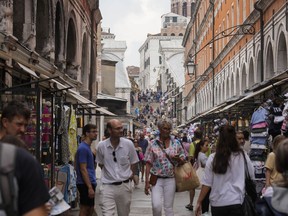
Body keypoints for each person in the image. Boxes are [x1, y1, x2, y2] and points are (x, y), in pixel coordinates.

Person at [0, 101, 50, 216]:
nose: (23, 130)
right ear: (5, 122)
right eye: (19, 124)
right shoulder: (23, 159)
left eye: (25, 125)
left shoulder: (22, 156)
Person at [195, 125, 254, 216]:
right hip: (237, 202)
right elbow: (251, 174)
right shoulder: (242, 156)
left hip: (218, 204)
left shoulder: (213, 158)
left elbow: (207, 183)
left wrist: (199, 202)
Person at [96, 119, 139, 216]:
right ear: (110, 131)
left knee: (124, 213)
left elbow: (134, 162)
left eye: (121, 128)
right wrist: (109, 173)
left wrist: (131, 175)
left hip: (124, 186)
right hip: (107, 186)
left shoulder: (128, 144)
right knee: (107, 214)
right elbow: (100, 163)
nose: (121, 130)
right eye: (118, 128)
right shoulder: (101, 146)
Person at [144, 119, 185, 216]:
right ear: (159, 129)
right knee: (156, 206)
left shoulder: (176, 143)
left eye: (168, 129)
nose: (166, 131)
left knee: (168, 208)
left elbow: (183, 158)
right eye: (164, 128)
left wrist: (179, 159)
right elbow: (148, 163)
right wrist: (146, 182)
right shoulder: (153, 143)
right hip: (156, 179)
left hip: (170, 179)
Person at [75, 124, 98, 216]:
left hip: (89, 181)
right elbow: (83, 169)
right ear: (87, 133)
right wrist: (89, 187)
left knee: (90, 208)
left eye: (96, 131)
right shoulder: (83, 148)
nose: (96, 134)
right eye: (93, 132)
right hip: (85, 183)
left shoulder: (87, 147)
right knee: (85, 208)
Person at [186, 129, 203, 211]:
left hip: (195, 167)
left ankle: (191, 203)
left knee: (192, 186)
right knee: (204, 186)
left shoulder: (192, 144)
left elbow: (190, 157)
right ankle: (202, 203)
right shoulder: (205, 144)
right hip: (205, 168)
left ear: (195, 136)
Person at [194, 140, 210, 215]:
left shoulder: (200, 154)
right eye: (206, 145)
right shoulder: (202, 155)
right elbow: (206, 165)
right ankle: (204, 211)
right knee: (206, 195)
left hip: (202, 173)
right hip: (204, 174)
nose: (208, 147)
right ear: (201, 146)